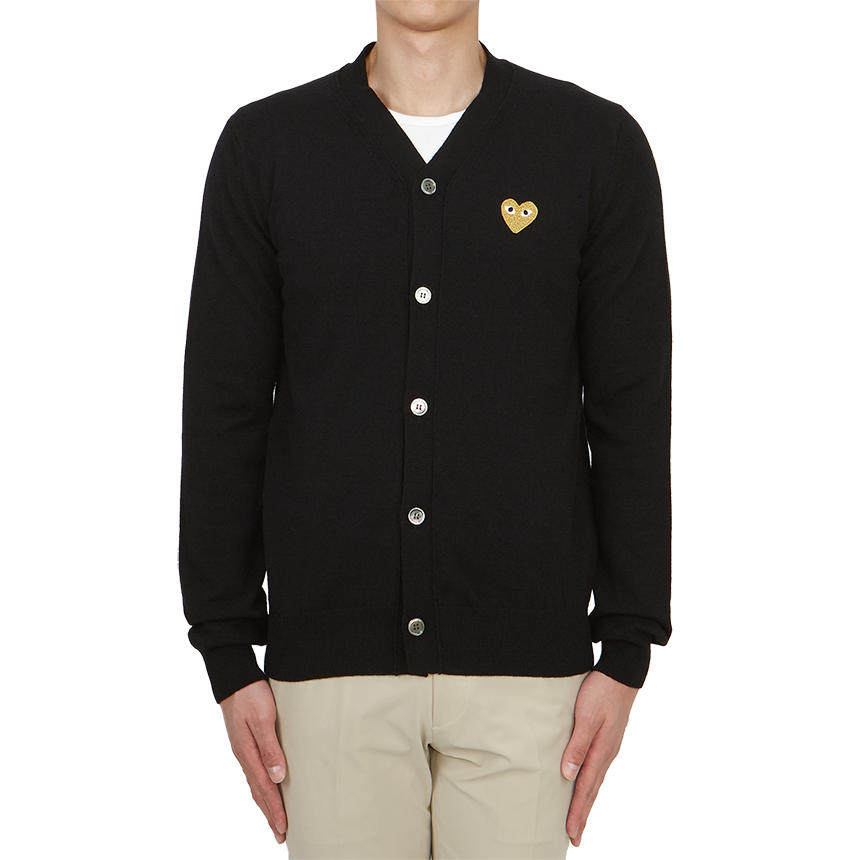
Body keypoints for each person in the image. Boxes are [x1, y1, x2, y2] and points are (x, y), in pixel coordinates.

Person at [178, 1, 672, 856]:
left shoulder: (594, 147)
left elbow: (631, 409)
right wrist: (225, 647)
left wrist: (628, 644)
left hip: (531, 680)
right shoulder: (268, 148)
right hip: (329, 674)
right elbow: (224, 407)